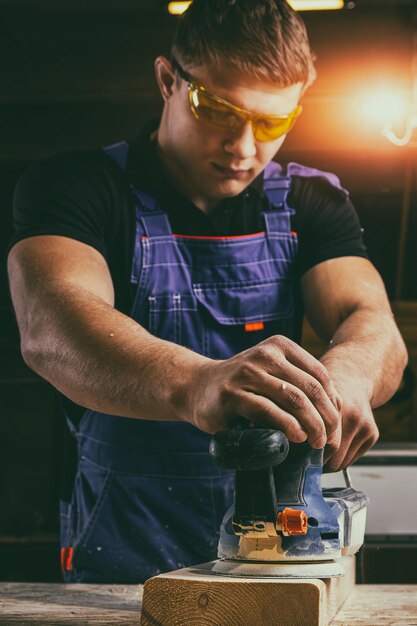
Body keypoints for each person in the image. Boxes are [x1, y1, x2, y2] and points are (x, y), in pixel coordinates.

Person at [7, 0, 406, 584]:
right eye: (217, 110)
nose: (244, 146)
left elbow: (368, 319)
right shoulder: (78, 188)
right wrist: (198, 382)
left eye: (273, 123)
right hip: (123, 540)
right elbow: (53, 328)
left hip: (277, 552)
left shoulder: (311, 202)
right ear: (168, 80)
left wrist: (345, 377)